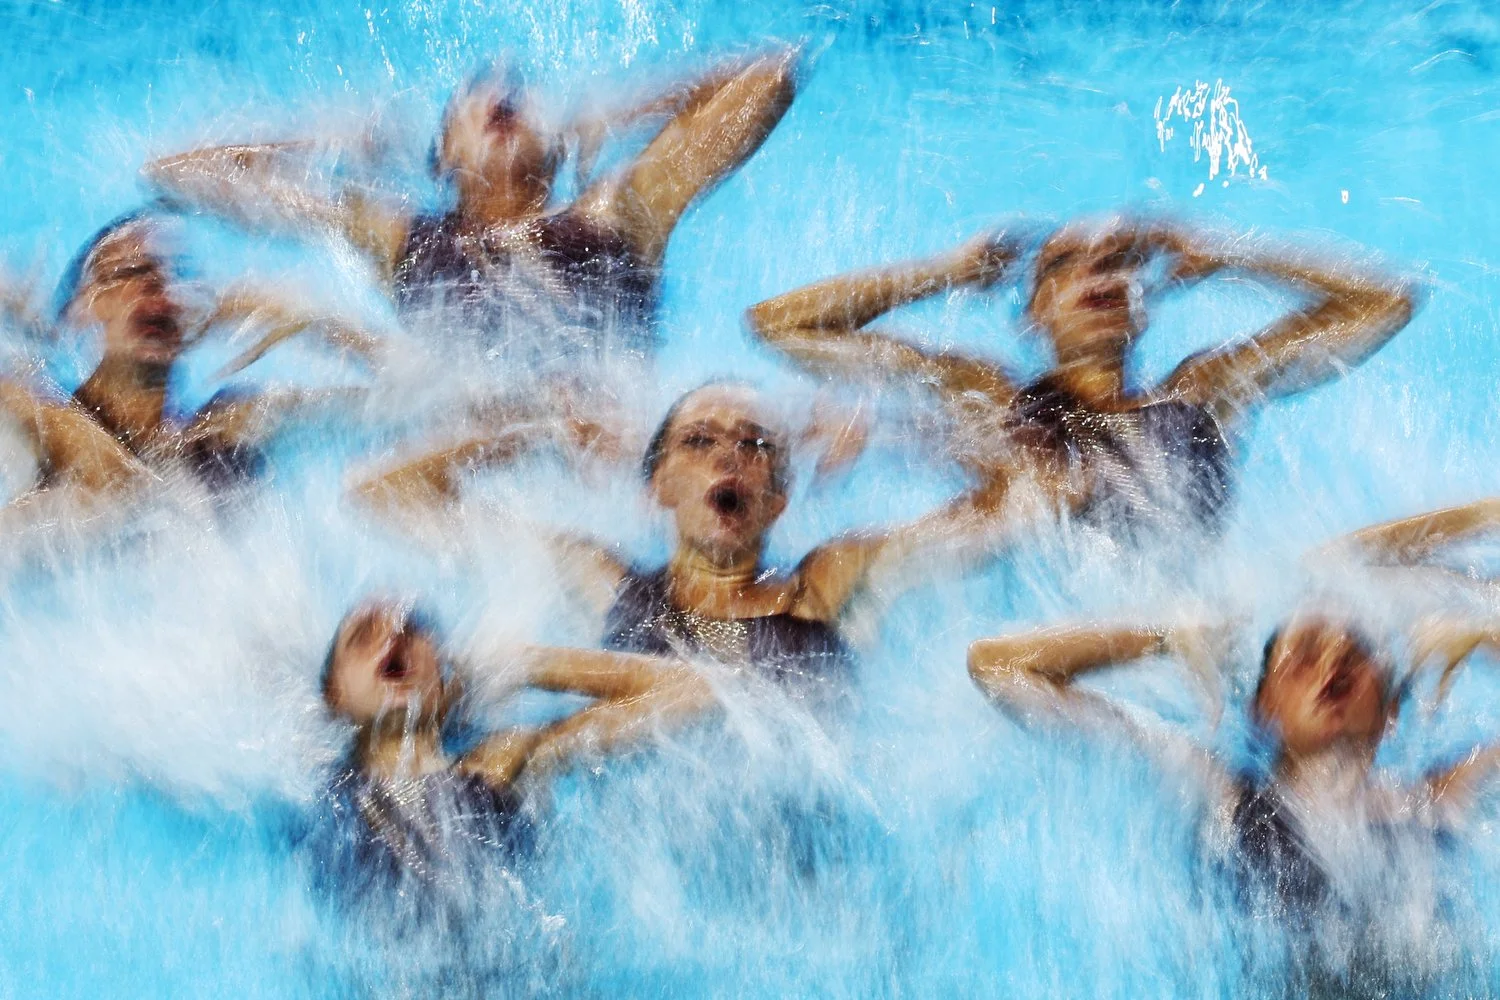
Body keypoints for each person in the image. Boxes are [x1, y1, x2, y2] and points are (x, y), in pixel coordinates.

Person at [965, 501, 1500, 986]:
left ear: (1390, 715)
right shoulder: (1217, 796)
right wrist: (1162, 638)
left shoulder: (1441, 801)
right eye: (1306, 652)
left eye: (1356, 654)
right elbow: (998, 669)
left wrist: (1483, 638)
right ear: (1262, 707)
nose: (1335, 662)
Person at [351, 382, 1034, 693]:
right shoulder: (605, 584)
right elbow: (383, 494)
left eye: (755, 445)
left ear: (778, 499)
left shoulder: (832, 585)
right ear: (658, 487)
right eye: (698, 442)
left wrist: (888, 436)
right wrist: (536, 425)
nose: (726, 459)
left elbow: (1029, 497)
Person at [747, 218, 1419, 531]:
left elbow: (1384, 302)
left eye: (1121, 259)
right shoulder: (989, 399)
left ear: (1145, 304)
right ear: (1033, 313)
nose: (1099, 274)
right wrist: (945, 271)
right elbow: (780, 326)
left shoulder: (1206, 393)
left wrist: (1229, 252)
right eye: (1067, 264)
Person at [143, 49, 801, 361]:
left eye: (524, 92)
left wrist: (632, 109)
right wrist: (323, 139)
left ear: (560, 142)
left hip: (598, 462)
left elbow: (772, 79)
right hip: (463, 469)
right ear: (442, 159)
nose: (501, 93)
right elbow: (180, 176)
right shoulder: (401, 236)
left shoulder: (619, 213)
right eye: (473, 95)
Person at [317, 597, 713, 893]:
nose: (393, 636)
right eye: (365, 633)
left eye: (413, 628)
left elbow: (696, 689)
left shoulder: (501, 763)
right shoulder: (306, 786)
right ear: (334, 695)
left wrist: (530, 662)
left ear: (443, 681)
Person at [34, 212, 377, 494]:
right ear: (82, 308)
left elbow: (407, 398)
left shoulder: (225, 434)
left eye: (176, 277)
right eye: (133, 271)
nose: (160, 288)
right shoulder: (38, 424)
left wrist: (306, 318)